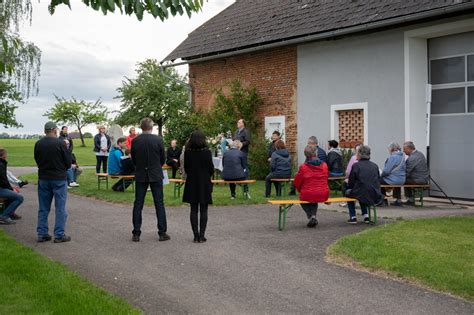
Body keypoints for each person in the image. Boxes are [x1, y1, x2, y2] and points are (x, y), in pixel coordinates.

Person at [130, 118, 169, 242]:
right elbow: (163, 158)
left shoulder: (135, 141)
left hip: (141, 173)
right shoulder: (158, 140)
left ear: (141, 127)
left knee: (138, 203)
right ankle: (162, 232)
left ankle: (136, 233)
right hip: (155, 173)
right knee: (159, 203)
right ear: (151, 127)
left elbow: (134, 159)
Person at [34, 121, 72, 242]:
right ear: (55, 130)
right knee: (60, 207)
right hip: (58, 178)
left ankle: (42, 233)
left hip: (44, 177)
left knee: (43, 207)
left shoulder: (38, 143)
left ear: (45, 131)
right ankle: (59, 234)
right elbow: (68, 161)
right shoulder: (60, 143)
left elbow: (37, 160)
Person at [183, 130, 214, 243]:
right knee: (204, 209)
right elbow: (211, 168)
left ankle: (195, 235)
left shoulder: (188, 152)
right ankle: (202, 235)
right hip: (204, 181)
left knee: (193, 209)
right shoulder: (207, 152)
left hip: (192, 181)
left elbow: (186, 168)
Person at [293, 145, 329, 228]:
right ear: (316, 153)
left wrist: (300, 190)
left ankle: (311, 216)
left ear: (305, 155)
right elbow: (326, 178)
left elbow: (297, 182)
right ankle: (313, 217)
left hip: (308, 193)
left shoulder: (303, 167)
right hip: (323, 192)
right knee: (313, 198)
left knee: (304, 199)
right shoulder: (324, 165)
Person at [345, 145, 382, 224]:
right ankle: (366, 215)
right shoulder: (375, 166)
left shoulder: (356, 166)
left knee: (348, 191)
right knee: (363, 190)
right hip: (374, 193)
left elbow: (351, 182)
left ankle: (353, 216)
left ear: (359, 154)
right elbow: (378, 180)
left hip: (361, 193)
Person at [0, 149, 24, 225]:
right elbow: (3, 180)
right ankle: (4, 216)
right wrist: (11, 189)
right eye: (6, 155)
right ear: (3, 156)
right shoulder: (0, 165)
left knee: (12, 194)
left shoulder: (1, 164)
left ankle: (8, 213)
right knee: (19, 197)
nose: (6, 156)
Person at [402, 141, 429, 206]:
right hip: (424, 179)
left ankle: (408, 200)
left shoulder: (411, 158)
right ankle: (410, 199)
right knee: (405, 180)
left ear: (409, 148)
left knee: (402, 180)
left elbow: (407, 172)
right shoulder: (420, 154)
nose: (403, 151)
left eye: (404, 149)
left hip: (418, 180)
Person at [380, 142, 406, 207]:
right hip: (402, 180)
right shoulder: (402, 157)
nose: (389, 151)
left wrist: (381, 175)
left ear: (392, 149)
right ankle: (398, 200)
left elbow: (386, 171)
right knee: (397, 180)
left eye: (389, 149)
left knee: (378, 181)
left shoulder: (392, 157)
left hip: (393, 180)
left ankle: (383, 201)